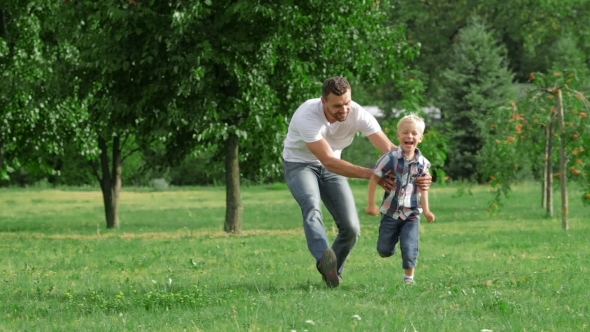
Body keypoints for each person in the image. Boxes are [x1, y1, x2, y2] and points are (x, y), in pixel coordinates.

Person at [282, 76, 432, 288]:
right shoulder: (308, 115)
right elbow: (328, 161)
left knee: (351, 228)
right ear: (323, 102)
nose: (344, 109)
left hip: (333, 167)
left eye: (347, 103)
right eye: (337, 106)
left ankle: (333, 271)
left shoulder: (358, 113)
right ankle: (325, 258)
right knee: (311, 206)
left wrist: (419, 171)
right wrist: (373, 174)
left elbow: (391, 150)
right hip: (300, 165)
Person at [366, 113, 435, 285]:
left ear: (420, 138)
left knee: (410, 246)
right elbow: (375, 178)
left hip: (411, 213)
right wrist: (371, 204)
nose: (409, 136)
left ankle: (408, 278)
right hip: (390, 212)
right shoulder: (390, 158)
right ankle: (391, 243)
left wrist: (426, 210)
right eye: (405, 132)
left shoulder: (423, 163)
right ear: (398, 136)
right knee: (384, 250)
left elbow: (423, 187)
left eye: (413, 133)